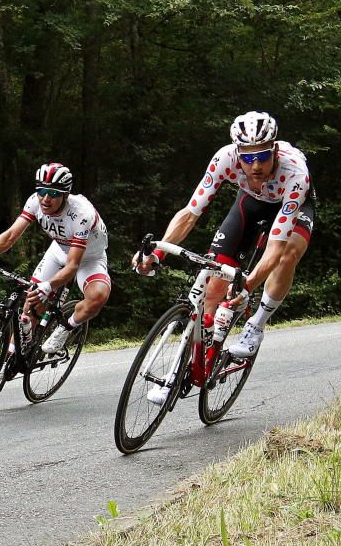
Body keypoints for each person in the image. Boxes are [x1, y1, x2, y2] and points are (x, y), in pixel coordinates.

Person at [133, 111, 315, 404]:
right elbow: (190, 213)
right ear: (237, 152)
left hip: (292, 205)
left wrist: (248, 285)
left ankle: (256, 324)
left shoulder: (294, 173)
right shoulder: (224, 159)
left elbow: (276, 246)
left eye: (263, 156)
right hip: (251, 202)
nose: (255, 165)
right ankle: (192, 359)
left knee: (287, 256)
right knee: (215, 277)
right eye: (248, 157)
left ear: (275, 150)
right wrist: (158, 252)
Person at [0, 162, 111, 362]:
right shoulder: (35, 202)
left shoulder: (81, 213)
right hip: (59, 249)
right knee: (31, 304)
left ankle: (66, 327)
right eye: (42, 190)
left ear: (65, 195)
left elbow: (73, 265)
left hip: (89, 258)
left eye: (52, 193)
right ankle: (10, 358)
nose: (45, 198)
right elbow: (10, 237)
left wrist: (49, 285)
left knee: (98, 296)